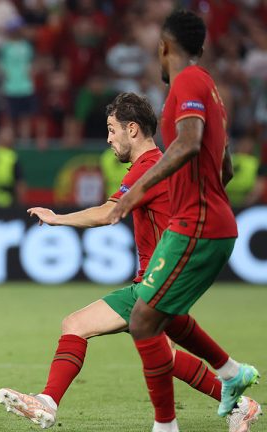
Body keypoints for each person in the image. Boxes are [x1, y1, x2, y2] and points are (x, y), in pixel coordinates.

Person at [0, 92, 262, 431]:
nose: (108, 138)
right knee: (138, 345)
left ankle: (51, 402)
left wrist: (57, 218)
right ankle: (240, 403)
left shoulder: (149, 166)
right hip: (160, 277)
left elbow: (109, 213)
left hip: (157, 280)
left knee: (85, 328)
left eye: (112, 129)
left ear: (132, 129)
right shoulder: (166, 162)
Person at [107, 10, 260, 432]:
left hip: (196, 224)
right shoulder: (210, 87)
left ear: (165, 46)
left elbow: (190, 144)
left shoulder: (188, 82)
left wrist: (138, 192)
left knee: (142, 320)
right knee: (163, 317)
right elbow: (224, 165)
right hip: (207, 217)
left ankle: (166, 426)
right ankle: (230, 373)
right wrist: (207, 194)